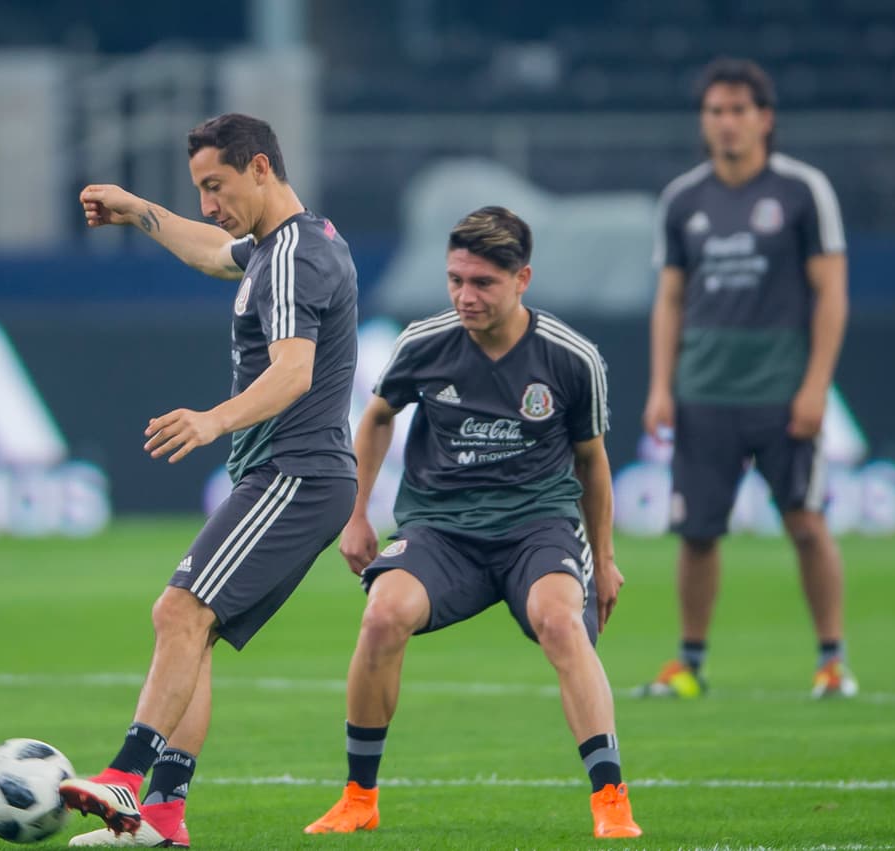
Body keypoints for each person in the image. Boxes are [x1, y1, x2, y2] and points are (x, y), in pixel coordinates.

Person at [59, 113, 359, 848]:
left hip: (297, 470)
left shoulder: (292, 258)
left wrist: (212, 419)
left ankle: (124, 779)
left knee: (178, 612)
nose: (207, 204)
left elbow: (294, 371)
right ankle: (162, 820)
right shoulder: (280, 244)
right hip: (289, 471)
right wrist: (139, 211)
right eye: (198, 188)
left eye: (215, 185)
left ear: (261, 167)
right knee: (194, 631)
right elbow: (208, 253)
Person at [302, 207, 642, 840]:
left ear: (522, 280)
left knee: (562, 622)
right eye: (456, 279)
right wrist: (356, 514)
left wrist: (607, 557)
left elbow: (592, 462)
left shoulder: (571, 358)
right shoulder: (424, 342)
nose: (465, 295)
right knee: (381, 616)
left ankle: (612, 800)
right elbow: (377, 417)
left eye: (482, 282)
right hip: (439, 529)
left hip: (537, 526)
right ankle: (358, 797)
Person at [639, 57, 856, 700]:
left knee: (806, 522)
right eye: (715, 111)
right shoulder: (683, 199)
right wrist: (660, 385)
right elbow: (670, 298)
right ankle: (690, 664)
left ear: (765, 118)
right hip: (703, 392)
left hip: (782, 393)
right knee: (698, 533)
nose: (727, 122)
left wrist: (817, 385)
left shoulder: (802, 190)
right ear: (703, 122)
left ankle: (832, 661)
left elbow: (832, 293)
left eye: (739, 110)